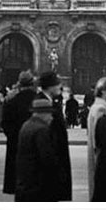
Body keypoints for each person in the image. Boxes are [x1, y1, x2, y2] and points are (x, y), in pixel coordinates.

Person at [15, 99, 65, 201]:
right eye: (49, 114)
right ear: (42, 114)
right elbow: (47, 158)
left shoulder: (26, 125)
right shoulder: (42, 130)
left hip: (25, 183)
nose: (51, 118)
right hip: (38, 185)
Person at [37, 70, 72, 200]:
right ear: (50, 86)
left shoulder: (51, 102)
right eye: (58, 83)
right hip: (50, 163)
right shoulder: (43, 104)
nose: (60, 86)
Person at [1, 71, 36, 194]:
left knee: (15, 172)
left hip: (16, 141)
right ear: (32, 83)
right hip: (34, 142)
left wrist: (13, 136)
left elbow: (4, 123)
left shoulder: (12, 101)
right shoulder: (38, 100)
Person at [86, 77, 106, 199]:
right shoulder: (101, 109)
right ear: (103, 91)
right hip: (100, 156)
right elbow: (99, 137)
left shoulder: (96, 106)